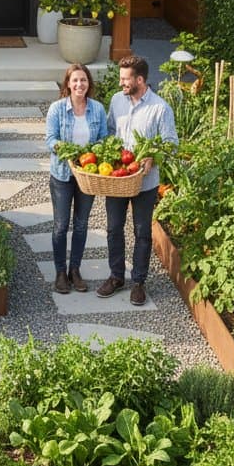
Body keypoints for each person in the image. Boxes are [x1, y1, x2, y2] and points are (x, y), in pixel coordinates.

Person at [97, 55, 178, 307]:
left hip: (146, 182)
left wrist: (153, 156)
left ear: (140, 80)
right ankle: (116, 276)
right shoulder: (116, 100)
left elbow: (171, 144)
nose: (121, 83)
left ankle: (139, 282)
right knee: (114, 228)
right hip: (118, 178)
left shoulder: (160, 108)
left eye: (125, 79)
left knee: (142, 232)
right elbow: (110, 131)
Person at [45, 64, 107, 295]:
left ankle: (75, 270)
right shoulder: (57, 109)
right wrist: (64, 149)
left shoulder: (97, 109)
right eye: (75, 80)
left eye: (83, 80)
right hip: (62, 174)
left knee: (81, 225)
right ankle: (60, 273)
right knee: (61, 226)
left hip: (87, 176)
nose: (80, 84)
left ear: (89, 83)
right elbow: (50, 139)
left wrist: (92, 152)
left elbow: (104, 138)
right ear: (68, 84)